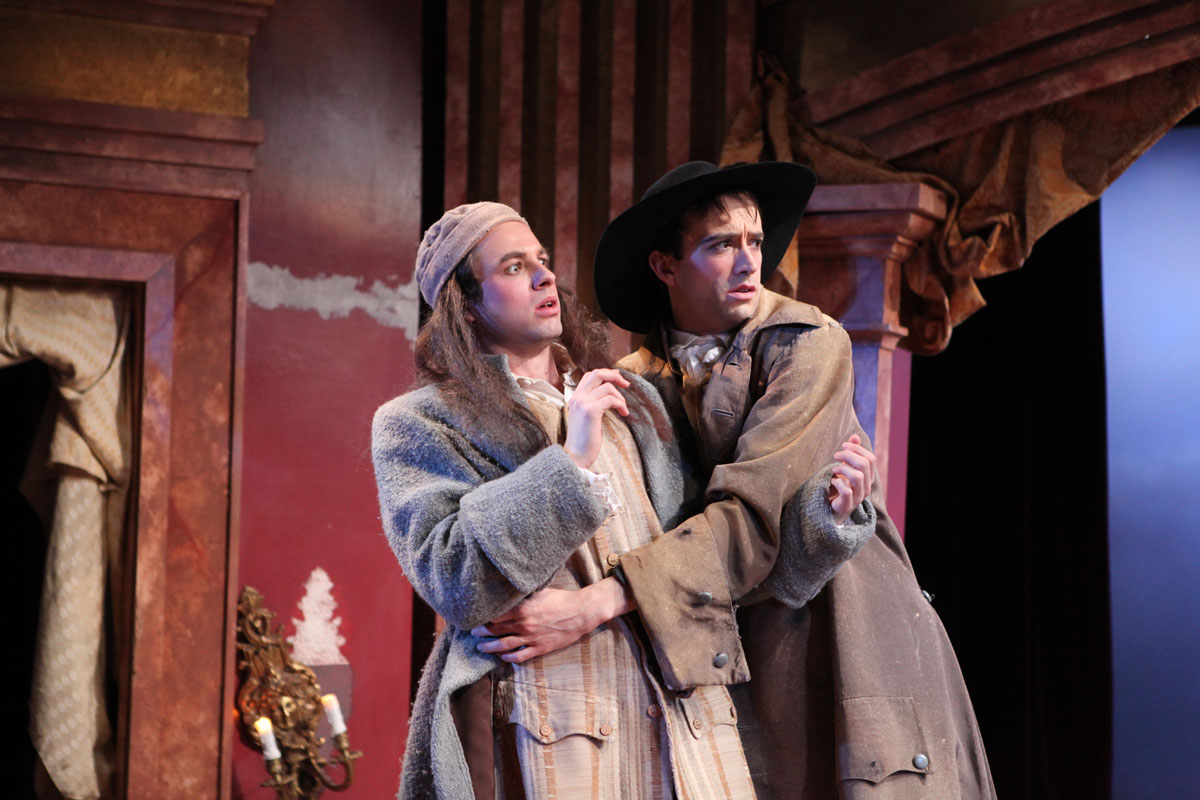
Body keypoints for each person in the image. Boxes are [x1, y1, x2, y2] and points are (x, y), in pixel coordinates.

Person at [588, 161, 997, 799]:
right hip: (725, 643)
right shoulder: (637, 380)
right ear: (665, 266)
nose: (749, 261)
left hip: (841, 628)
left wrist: (601, 601)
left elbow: (752, 517)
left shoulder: (806, 343)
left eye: (754, 241)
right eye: (720, 245)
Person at [372, 202, 762, 799]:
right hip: (557, 732)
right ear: (465, 303)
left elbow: (709, 545)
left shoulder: (636, 399)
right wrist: (571, 461)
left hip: (683, 723)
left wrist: (832, 513)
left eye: (542, 260)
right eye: (513, 267)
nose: (544, 276)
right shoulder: (420, 423)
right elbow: (455, 579)